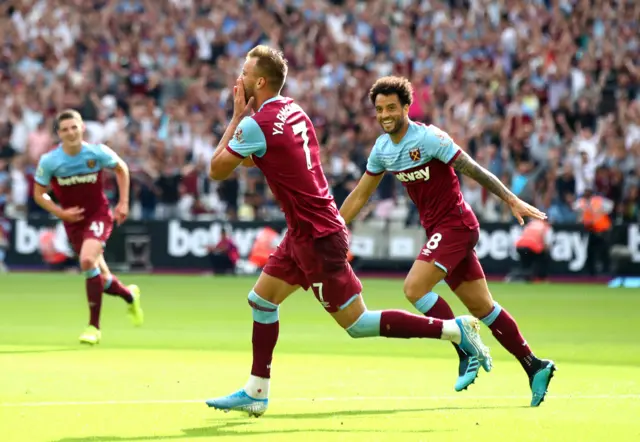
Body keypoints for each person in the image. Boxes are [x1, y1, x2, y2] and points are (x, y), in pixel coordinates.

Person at [205, 46, 492, 417]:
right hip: (305, 230)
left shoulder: (252, 124)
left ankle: (454, 330)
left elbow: (217, 168)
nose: (238, 79)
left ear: (259, 82)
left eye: (244, 73)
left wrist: (235, 117)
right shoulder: (294, 110)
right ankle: (257, 390)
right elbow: (264, 156)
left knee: (357, 324)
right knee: (261, 301)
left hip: (316, 236)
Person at [339, 76, 555, 407]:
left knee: (414, 288)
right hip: (439, 231)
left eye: (391, 108)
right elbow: (360, 195)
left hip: (456, 225)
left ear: (406, 108)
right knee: (483, 307)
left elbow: (473, 169)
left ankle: (462, 345)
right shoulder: (382, 150)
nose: (384, 114)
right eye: (379, 109)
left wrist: (510, 199)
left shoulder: (428, 138)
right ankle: (534, 365)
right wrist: (334, 227)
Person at [33, 110, 144, 345]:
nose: (71, 132)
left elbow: (121, 168)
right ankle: (129, 295)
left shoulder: (96, 152)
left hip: (98, 216)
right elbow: (39, 193)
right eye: (65, 129)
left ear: (82, 128)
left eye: (74, 127)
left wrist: (123, 202)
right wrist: (60, 212)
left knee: (86, 262)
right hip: (73, 223)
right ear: (58, 134)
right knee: (99, 276)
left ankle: (94, 327)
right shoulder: (50, 161)